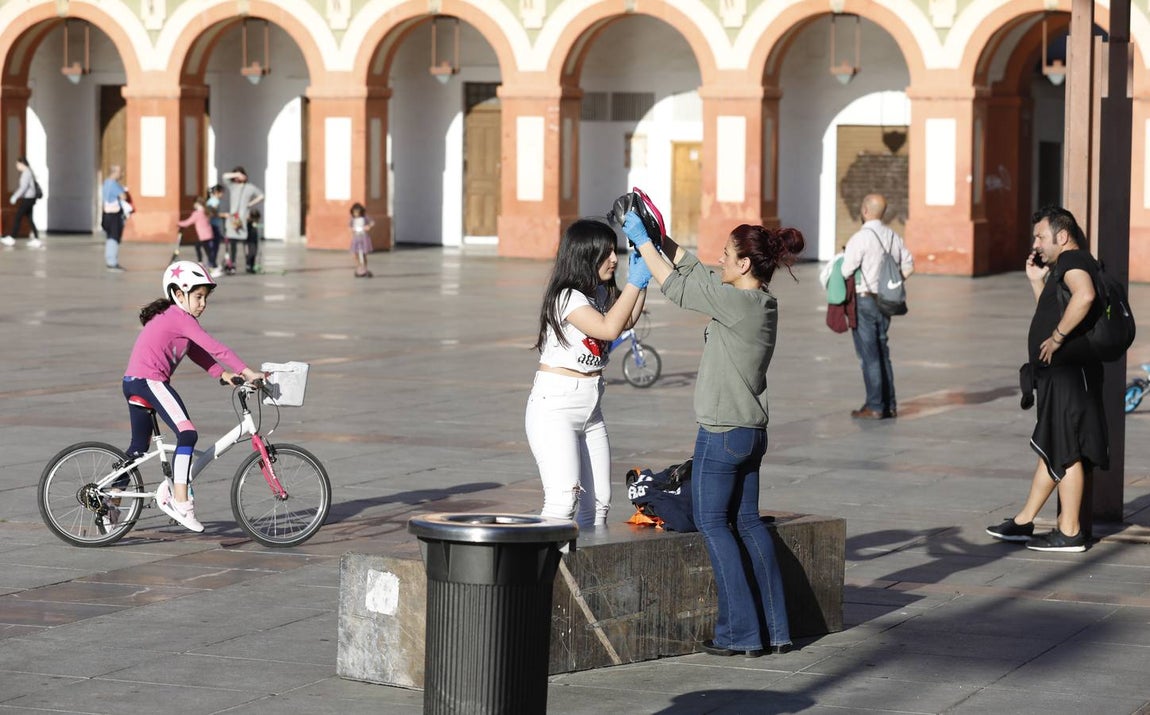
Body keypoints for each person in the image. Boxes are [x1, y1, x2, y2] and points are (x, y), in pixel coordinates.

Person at [627, 210, 797, 657]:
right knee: (747, 523)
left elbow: (680, 288)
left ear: (743, 264)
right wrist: (660, 238)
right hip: (750, 432)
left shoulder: (737, 304)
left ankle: (739, 634)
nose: (720, 260)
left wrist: (642, 243)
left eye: (727, 255)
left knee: (712, 523)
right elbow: (696, 271)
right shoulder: (759, 301)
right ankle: (777, 630)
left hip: (721, 433)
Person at [986, 206, 1107, 553]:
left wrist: (1055, 338)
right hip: (1064, 374)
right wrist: (1037, 282)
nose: (1036, 243)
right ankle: (1024, 522)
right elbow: (1054, 308)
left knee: (1066, 449)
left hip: (1070, 374)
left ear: (1062, 236)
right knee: (1055, 445)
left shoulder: (1073, 262)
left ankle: (1069, 531)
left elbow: (1084, 296)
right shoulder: (1065, 267)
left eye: (1041, 235)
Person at [118, 261, 264, 533]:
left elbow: (196, 352)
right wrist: (247, 371)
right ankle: (180, 501)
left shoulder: (176, 318)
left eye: (205, 298)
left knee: (138, 448)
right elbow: (215, 347)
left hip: (133, 382)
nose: (203, 303)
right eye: (198, 296)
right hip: (149, 381)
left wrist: (223, 375)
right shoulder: (179, 317)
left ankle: (111, 504)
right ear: (178, 293)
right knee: (187, 434)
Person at [526, 218, 649, 527]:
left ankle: (583, 571)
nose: (613, 259)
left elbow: (627, 319)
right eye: (605, 253)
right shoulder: (567, 297)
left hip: (590, 409)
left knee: (599, 504)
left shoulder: (598, 294)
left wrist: (642, 280)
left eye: (615, 251)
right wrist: (634, 281)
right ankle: (544, 569)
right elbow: (608, 329)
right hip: (555, 407)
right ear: (584, 256)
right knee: (563, 499)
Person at [839, 193, 914, 419]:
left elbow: (845, 271)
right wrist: (893, 282)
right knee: (883, 351)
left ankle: (875, 406)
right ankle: (889, 404)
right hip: (885, 301)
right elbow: (909, 264)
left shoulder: (860, 238)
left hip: (865, 299)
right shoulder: (892, 236)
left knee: (869, 354)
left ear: (865, 210)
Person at [221, 167, 264, 275]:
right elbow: (224, 177)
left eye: (241, 175)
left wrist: (250, 204)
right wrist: (236, 175)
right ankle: (232, 264)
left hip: (244, 218)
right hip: (233, 219)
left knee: (247, 243)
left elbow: (261, 195)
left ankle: (249, 264)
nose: (238, 177)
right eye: (236, 176)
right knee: (232, 244)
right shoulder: (232, 186)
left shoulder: (250, 187)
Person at [2, 157, 43, 248]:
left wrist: (15, 196)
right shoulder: (29, 172)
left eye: (17, 164)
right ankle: (36, 239)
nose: (17, 166)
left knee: (18, 216)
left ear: (22, 164)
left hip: (28, 198)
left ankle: (12, 238)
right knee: (29, 218)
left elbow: (23, 187)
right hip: (30, 198)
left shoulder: (26, 173)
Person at [101, 165, 129, 272]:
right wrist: (124, 190)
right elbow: (123, 197)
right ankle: (112, 263)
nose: (122, 174)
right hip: (114, 214)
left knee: (110, 237)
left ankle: (110, 260)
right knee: (114, 237)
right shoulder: (114, 184)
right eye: (120, 172)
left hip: (106, 214)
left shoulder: (106, 183)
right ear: (115, 172)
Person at [177, 197, 214, 265]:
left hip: (203, 236)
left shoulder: (197, 213)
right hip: (208, 234)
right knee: (205, 249)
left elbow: (187, 222)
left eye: (194, 203)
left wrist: (178, 223)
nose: (193, 205)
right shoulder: (205, 211)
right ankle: (210, 264)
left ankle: (209, 265)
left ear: (197, 203)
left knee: (201, 248)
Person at [349, 202, 375, 277]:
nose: (356, 214)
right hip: (356, 237)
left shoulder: (365, 217)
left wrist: (368, 226)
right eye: (355, 212)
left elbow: (372, 222)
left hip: (363, 237)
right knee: (355, 254)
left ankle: (365, 268)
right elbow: (349, 226)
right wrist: (351, 229)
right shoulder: (352, 219)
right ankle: (359, 267)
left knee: (364, 254)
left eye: (358, 212)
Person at [205, 184, 225, 277]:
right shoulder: (215, 201)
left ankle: (212, 263)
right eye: (222, 192)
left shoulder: (210, 201)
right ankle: (212, 264)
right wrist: (223, 215)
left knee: (213, 246)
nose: (223, 195)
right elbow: (214, 213)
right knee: (215, 246)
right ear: (217, 192)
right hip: (214, 225)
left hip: (211, 225)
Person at [244, 208, 262, 273]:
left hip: (254, 240)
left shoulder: (255, 222)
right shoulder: (249, 222)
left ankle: (252, 266)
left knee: (254, 253)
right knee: (251, 253)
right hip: (249, 240)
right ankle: (248, 265)